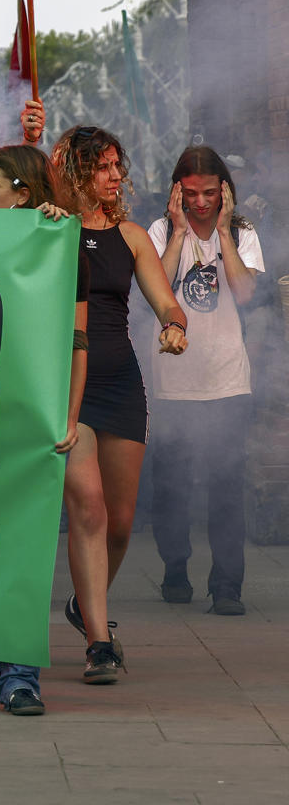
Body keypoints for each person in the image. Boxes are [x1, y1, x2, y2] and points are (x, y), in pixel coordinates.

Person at [49, 126, 187, 664]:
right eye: (103, 166)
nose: (115, 176)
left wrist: (175, 325)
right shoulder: (51, 226)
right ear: (78, 171)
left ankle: (85, 602)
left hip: (122, 383)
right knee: (89, 509)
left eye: (116, 166)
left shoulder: (131, 236)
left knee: (122, 522)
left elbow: (165, 301)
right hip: (69, 385)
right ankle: (98, 640)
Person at [0, 144, 99, 712]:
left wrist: (68, 417)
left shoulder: (62, 246)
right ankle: (4, 664)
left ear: (21, 193)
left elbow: (78, 342)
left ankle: (19, 675)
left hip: (31, 420)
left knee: (22, 543)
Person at [146, 145, 262, 615]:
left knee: (226, 482)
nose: (200, 203)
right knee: (172, 484)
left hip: (228, 378)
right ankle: (175, 568)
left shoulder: (242, 230)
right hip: (174, 379)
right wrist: (177, 232)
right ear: (177, 191)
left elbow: (246, 292)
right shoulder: (157, 230)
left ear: (225, 192)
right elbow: (158, 285)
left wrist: (224, 236)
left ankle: (227, 584)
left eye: (210, 193)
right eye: (190, 194)